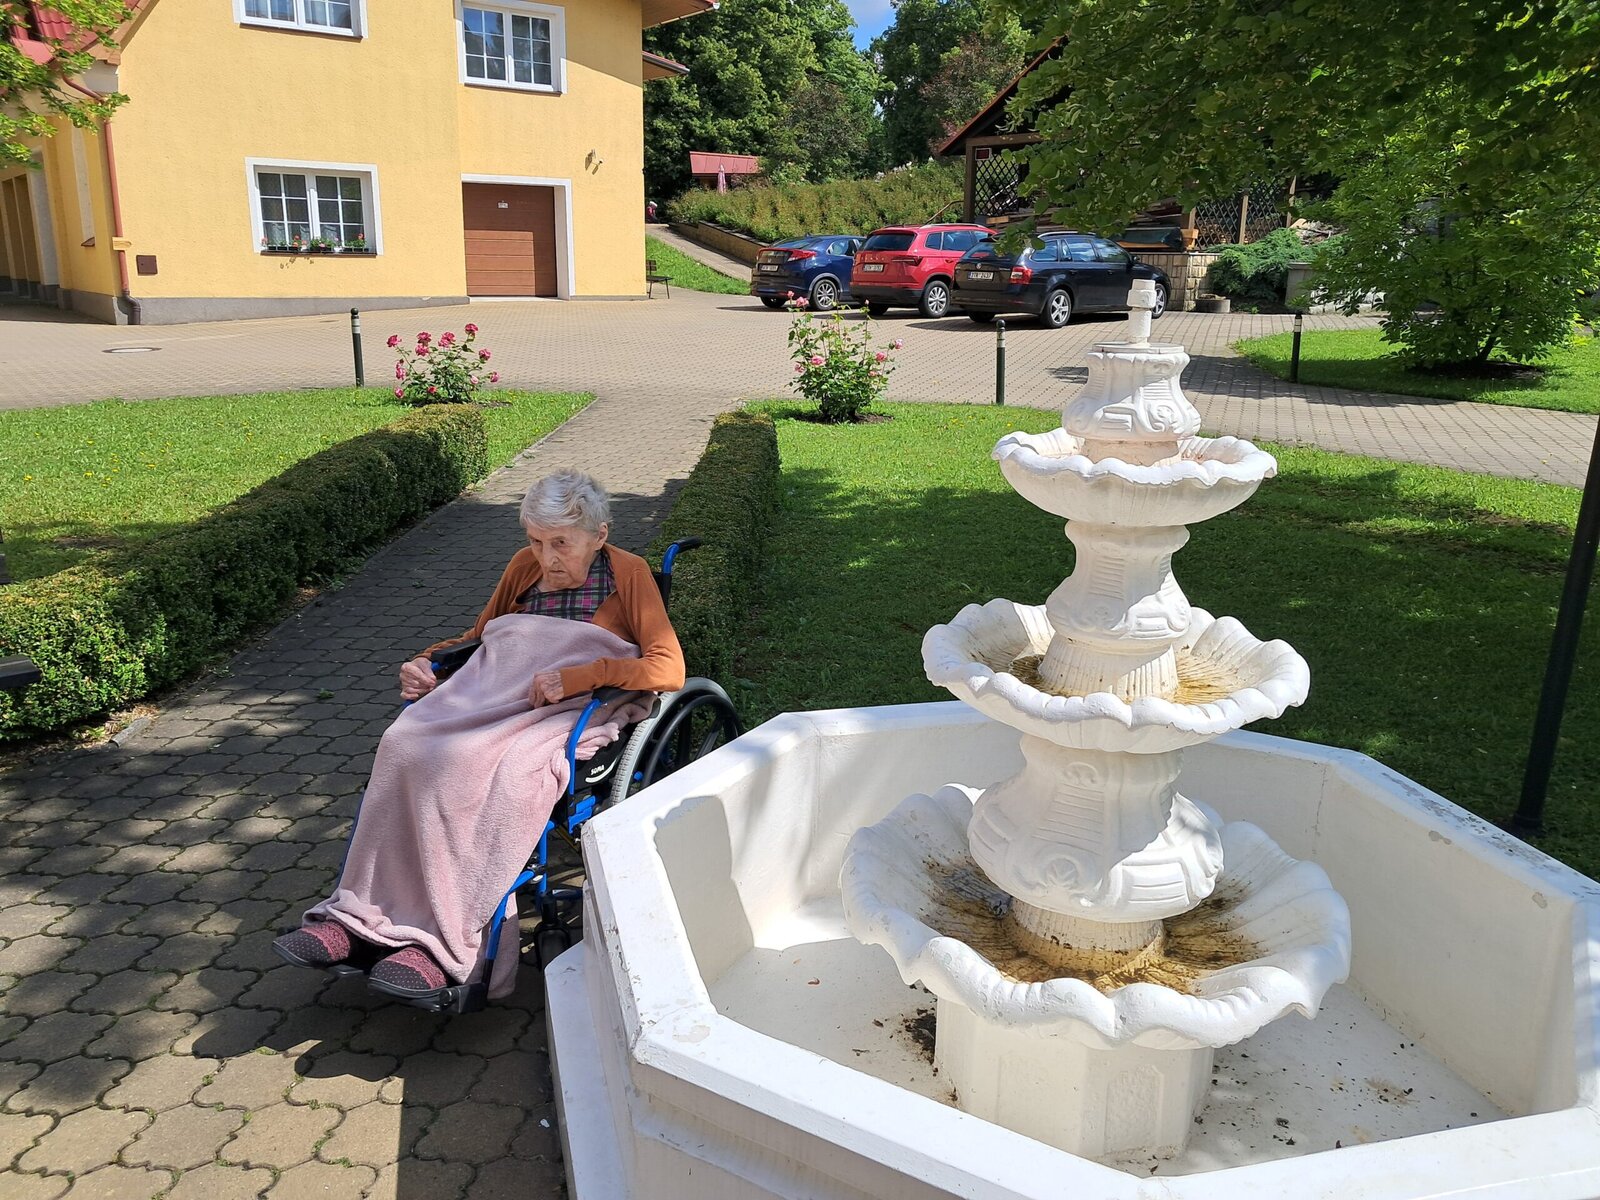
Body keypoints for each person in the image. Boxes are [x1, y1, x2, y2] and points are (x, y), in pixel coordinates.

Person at [272, 470, 685, 999]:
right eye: (536, 542)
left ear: (598, 535)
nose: (546, 558)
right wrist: (429, 662)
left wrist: (582, 675)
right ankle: (359, 915)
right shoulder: (522, 567)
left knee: (489, 769)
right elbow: (480, 637)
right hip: (491, 690)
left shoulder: (628, 574)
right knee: (403, 743)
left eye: (561, 544)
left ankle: (448, 942)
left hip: (562, 705)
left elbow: (668, 667)